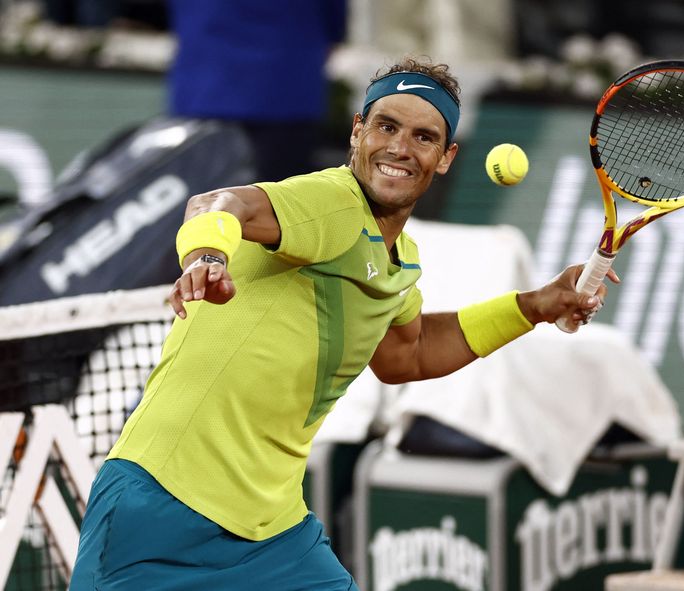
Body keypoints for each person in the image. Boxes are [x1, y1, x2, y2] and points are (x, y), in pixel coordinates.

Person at [70, 56, 616, 590]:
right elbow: (218, 203)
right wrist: (207, 256)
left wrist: (533, 305)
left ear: (446, 157)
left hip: (271, 531)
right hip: (164, 506)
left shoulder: (398, 259)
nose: (400, 148)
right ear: (358, 133)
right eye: (386, 126)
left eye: (423, 137)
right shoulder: (330, 202)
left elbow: (412, 352)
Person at [166, 0, 347, 181]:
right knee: (280, 199)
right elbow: (334, 26)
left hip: (206, 88)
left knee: (198, 197)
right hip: (285, 88)